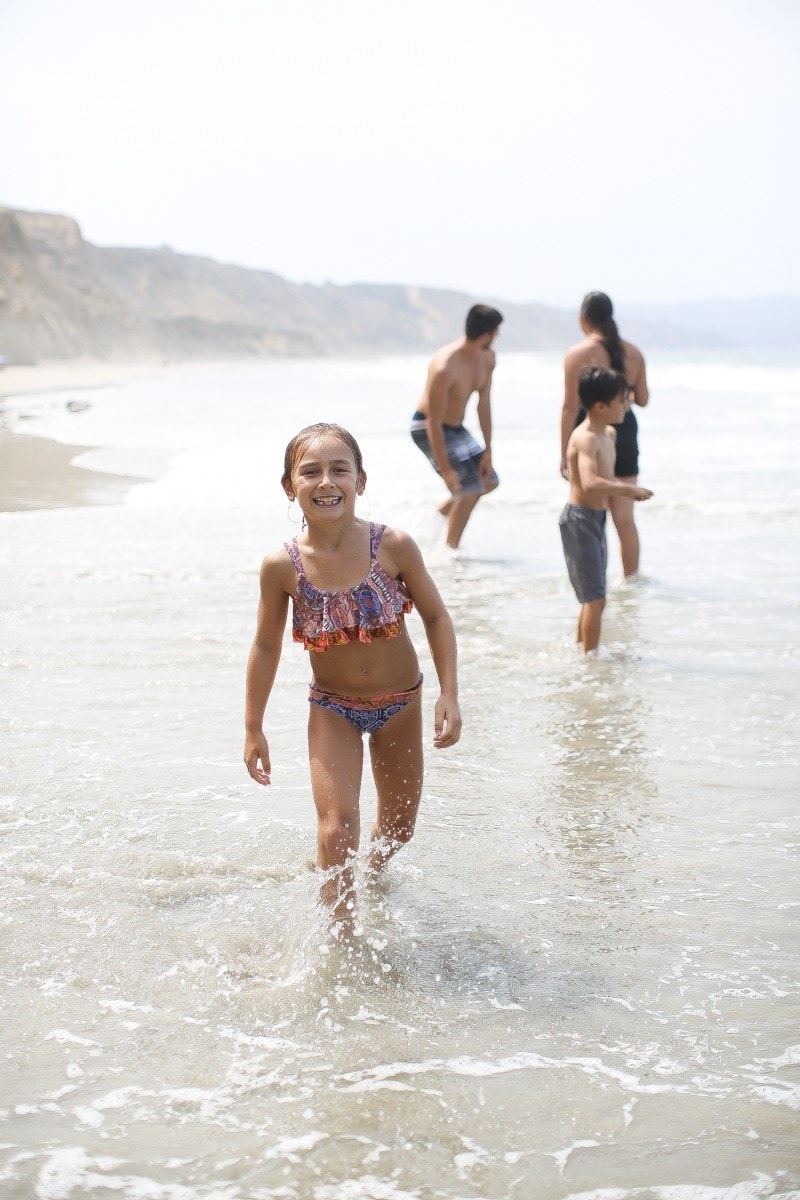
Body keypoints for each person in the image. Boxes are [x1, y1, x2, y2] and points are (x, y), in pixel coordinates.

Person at [244, 422, 461, 931]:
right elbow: (265, 645)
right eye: (310, 472)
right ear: (288, 486)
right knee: (336, 829)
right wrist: (253, 725)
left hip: (401, 706)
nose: (326, 482)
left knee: (398, 830)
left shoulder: (394, 547)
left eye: (339, 469)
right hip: (334, 709)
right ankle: (338, 941)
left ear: (360, 481)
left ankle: (370, 877)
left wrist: (449, 694)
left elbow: (436, 617)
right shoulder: (282, 566)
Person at [559, 366, 653, 655]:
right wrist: (627, 490)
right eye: (622, 400)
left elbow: (605, 476)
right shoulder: (585, 438)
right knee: (596, 598)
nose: (627, 405)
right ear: (600, 406)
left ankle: (582, 654)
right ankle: (590, 663)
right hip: (580, 520)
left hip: (596, 518)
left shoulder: (609, 434)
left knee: (594, 596)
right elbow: (588, 482)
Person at [561, 292, 650, 579]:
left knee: (590, 510)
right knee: (624, 518)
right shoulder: (633, 352)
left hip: (589, 432)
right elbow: (643, 400)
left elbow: (569, 406)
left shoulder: (577, 354)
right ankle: (631, 581)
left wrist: (564, 453)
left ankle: (593, 582)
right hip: (625, 431)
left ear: (584, 318)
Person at [411, 304, 503, 549]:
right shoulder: (445, 366)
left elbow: (483, 406)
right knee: (468, 489)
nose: (497, 338)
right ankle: (451, 552)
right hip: (427, 426)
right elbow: (432, 421)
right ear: (486, 335)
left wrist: (488, 451)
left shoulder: (487, 359)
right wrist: (446, 470)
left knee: (489, 480)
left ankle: (437, 517)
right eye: (497, 332)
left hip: (455, 427)